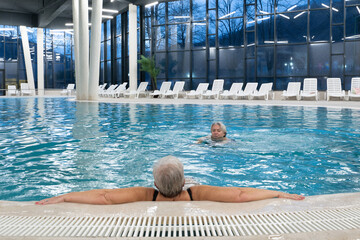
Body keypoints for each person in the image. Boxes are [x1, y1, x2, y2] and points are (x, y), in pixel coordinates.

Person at [36, 156, 304, 205]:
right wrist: (278, 194)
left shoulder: (146, 195)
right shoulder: (196, 192)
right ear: (185, 180)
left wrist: (66, 196)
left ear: (154, 184)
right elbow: (239, 195)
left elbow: (105, 196)